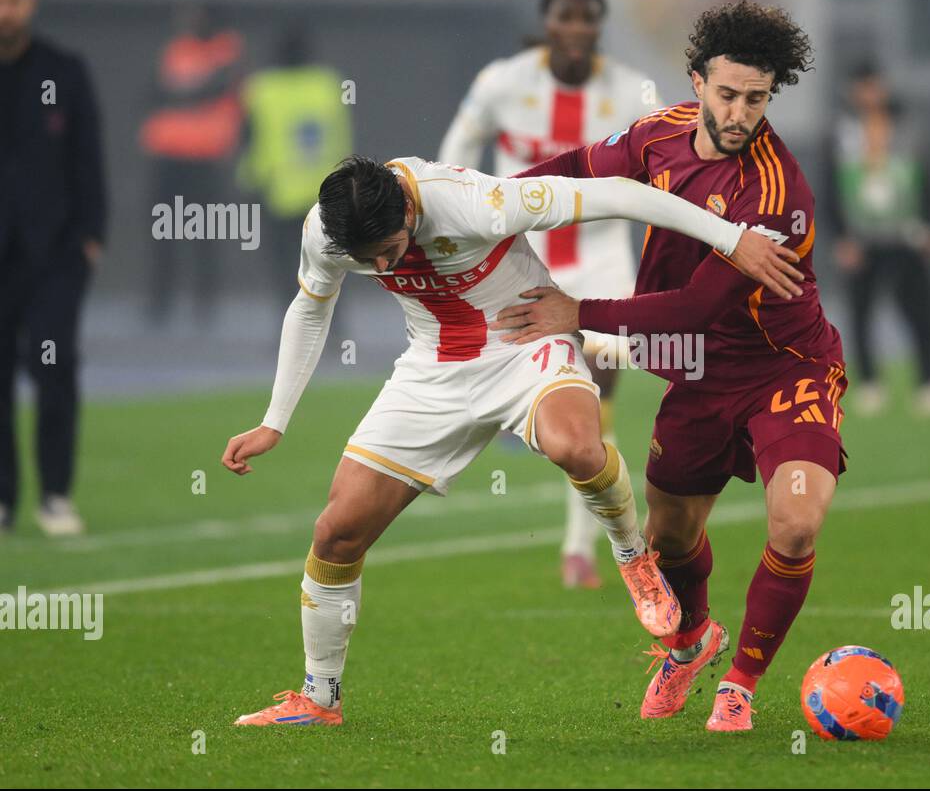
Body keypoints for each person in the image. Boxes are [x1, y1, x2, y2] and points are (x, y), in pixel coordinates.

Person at [222, 154, 802, 726]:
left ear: (405, 208)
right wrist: (275, 421)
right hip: (432, 369)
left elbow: (624, 195)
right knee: (336, 532)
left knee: (574, 445)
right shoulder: (327, 232)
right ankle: (319, 699)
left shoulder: (477, 201)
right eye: (365, 258)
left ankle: (633, 557)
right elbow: (310, 306)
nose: (378, 263)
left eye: (387, 249)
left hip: (524, 341)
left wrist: (732, 239)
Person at [495, 1, 845, 733]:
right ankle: (692, 643)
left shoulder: (778, 197)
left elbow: (692, 308)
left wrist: (575, 311)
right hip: (698, 377)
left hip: (787, 370)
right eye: (727, 93)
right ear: (697, 81)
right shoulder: (660, 134)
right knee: (672, 539)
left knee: (797, 524)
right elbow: (578, 171)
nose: (740, 112)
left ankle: (741, 684)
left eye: (757, 98)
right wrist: (495, 207)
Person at [438, 0, 658, 590]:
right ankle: (518, 416)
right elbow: (456, 152)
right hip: (521, 259)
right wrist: (449, 224)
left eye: (591, 19)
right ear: (549, 23)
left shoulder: (635, 92)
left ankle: (578, 547)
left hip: (601, 260)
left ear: (599, 28)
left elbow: (669, 168)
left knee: (597, 400)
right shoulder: (502, 82)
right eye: (567, 18)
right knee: (486, 382)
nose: (579, 29)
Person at [0, 0, 105, 537]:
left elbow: (88, 159)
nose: (5, 11)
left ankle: (56, 495)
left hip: (56, 256)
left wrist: (91, 237)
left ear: (30, 4)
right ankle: (3, 499)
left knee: (53, 366)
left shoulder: (64, 71)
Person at [826, 61, 930, 417]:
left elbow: (927, 179)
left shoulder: (910, 127)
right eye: (862, 86)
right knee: (860, 313)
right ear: (852, 91)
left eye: (874, 85)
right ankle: (870, 385)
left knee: (921, 312)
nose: (869, 94)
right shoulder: (841, 131)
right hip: (862, 238)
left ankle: (929, 384)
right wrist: (841, 237)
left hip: (907, 236)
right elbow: (831, 187)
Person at [138, 4, 244, 323]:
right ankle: (161, 302)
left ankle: (204, 305)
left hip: (206, 157)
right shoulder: (176, 49)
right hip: (168, 154)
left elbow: (215, 88)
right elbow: (153, 91)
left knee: (205, 233)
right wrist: (185, 93)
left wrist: (179, 93)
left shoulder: (228, 49)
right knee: (164, 232)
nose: (189, 22)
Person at [238, 24, 353, 308]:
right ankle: (333, 324)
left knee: (286, 264)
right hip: (326, 191)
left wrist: (248, 181)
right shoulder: (328, 84)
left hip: (279, 191)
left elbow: (250, 140)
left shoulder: (261, 89)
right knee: (330, 261)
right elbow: (342, 136)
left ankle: (291, 322)